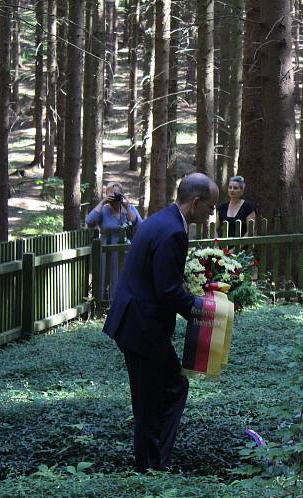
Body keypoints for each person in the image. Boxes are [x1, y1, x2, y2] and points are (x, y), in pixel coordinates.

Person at [103, 173, 219, 472]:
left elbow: (162, 280)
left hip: (135, 321)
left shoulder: (162, 219)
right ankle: (151, 467)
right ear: (195, 203)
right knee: (162, 393)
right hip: (141, 326)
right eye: (211, 206)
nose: (212, 212)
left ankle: (151, 463)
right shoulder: (173, 232)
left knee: (160, 391)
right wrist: (206, 309)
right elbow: (167, 291)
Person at [86, 183, 141, 301]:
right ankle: (104, 302)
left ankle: (124, 302)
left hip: (126, 251)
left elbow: (139, 226)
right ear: (106, 194)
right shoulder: (103, 210)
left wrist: (127, 207)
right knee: (107, 276)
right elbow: (90, 221)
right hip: (107, 252)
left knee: (124, 277)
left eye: (117, 194)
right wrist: (102, 202)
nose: (115, 198)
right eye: (111, 194)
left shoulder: (129, 208)